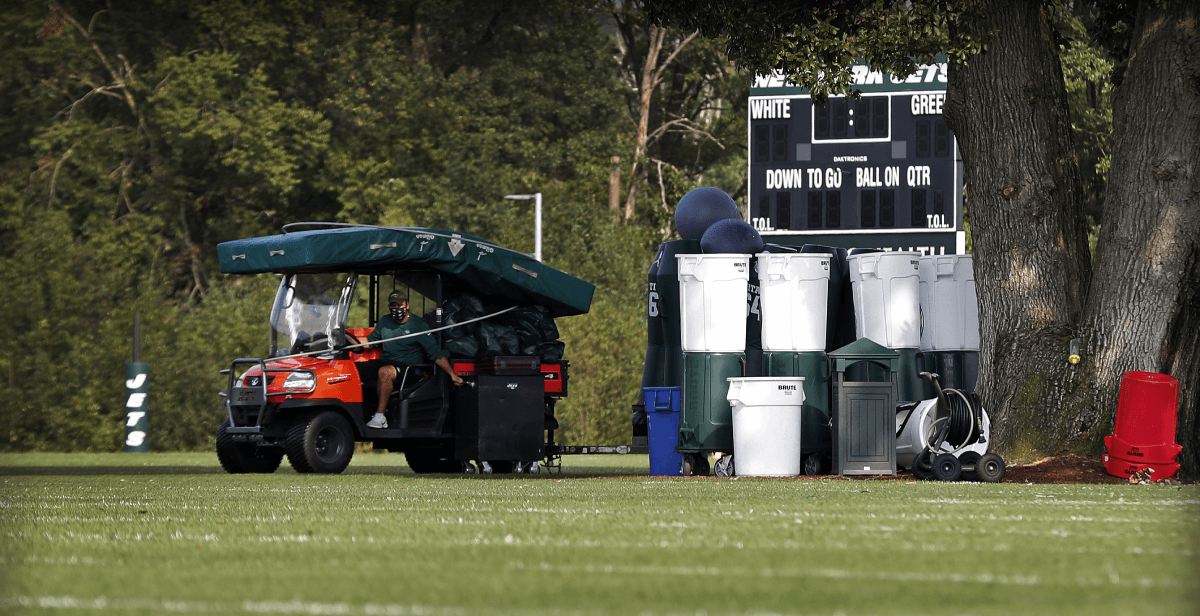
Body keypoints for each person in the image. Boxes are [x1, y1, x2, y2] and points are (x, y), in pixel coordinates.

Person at [349, 290, 464, 429]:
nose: (397, 308)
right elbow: (368, 342)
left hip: (410, 369)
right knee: (351, 370)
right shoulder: (385, 321)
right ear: (389, 306)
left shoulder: (418, 326)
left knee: (385, 372)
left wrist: (452, 374)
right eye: (393, 305)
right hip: (386, 362)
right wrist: (347, 339)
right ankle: (353, 414)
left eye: (400, 304)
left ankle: (380, 416)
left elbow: (436, 354)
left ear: (407, 305)